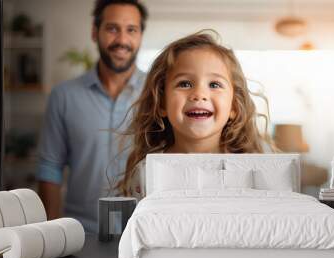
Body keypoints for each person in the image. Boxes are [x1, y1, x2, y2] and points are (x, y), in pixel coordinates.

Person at [118, 30, 274, 198]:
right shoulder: (146, 173)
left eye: (214, 84)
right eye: (185, 83)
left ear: (234, 107)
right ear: (161, 103)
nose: (199, 94)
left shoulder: (250, 171)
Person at [37, 0, 148, 232]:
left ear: (140, 36)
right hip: (81, 232)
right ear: (94, 33)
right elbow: (50, 167)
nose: (122, 40)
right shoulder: (63, 96)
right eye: (112, 28)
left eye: (131, 30)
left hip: (145, 232)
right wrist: (51, 234)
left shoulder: (158, 94)